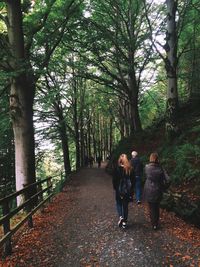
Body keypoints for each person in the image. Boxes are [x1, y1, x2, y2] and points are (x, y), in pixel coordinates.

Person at [143, 152, 170, 230]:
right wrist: (164, 187)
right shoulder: (160, 168)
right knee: (156, 206)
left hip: (148, 189)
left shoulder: (146, 167)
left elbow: (147, 176)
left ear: (150, 158)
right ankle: (156, 223)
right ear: (157, 159)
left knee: (151, 207)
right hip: (158, 189)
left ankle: (153, 223)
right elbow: (168, 180)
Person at [112, 154, 135, 229]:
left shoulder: (116, 169)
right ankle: (124, 222)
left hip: (119, 190)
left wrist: (115, 188)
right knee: (125, 206)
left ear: (120, 161)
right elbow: (133, 181)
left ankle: (120, 216)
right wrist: (131, 191)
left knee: (118, 203)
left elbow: (114, 180)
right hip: (127, 191)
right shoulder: (130, 169)